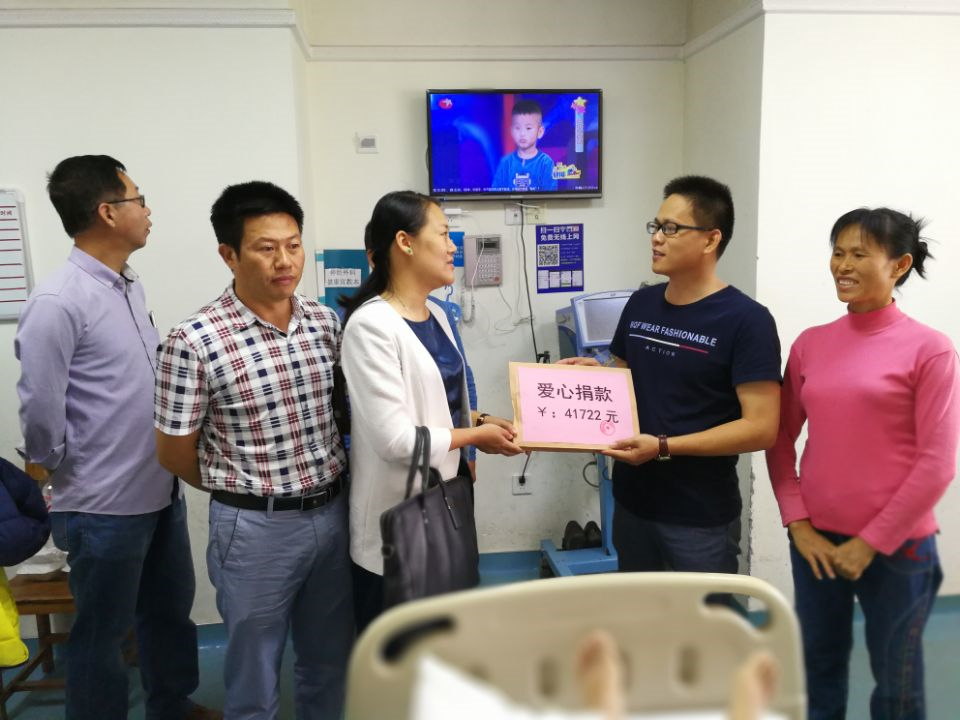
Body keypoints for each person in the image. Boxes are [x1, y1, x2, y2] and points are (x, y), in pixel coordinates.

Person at [14, 155, 212, 720]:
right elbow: (40, 406)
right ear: (107, 212)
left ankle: (172, 706)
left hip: (159, 487)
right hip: (102, 504)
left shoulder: (126, 285)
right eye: (138, 198)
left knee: (168, 614)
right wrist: (61, 466)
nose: (147, 210)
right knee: (102, 635)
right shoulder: (58, 301)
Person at [154, 181, 351, 720]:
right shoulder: (193, 341)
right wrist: (243, 489)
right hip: (254, 530)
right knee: (254, 674)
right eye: (266, 248)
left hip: (332, 513)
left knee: (329, 660)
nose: (285, 261)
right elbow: (173, 452)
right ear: (229, 254)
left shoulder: (324, 322)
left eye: (293, 245)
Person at [766, 208, 960, 720]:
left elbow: (938, 463)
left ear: (899, 265)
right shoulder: (811, 344)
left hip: (898, 547)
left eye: (858, 254)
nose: (843, 266)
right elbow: (780, 438)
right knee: (818, 669)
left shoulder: (931, 350)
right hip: (816, 542)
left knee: (897, 685)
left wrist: (870, 542)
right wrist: (798, 523)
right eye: (837, 253)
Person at [560, 176, 781, 579]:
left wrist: (663, 447)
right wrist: (599, 376)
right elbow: (626, 377)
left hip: (698, 517)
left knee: (700, 619)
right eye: (656, 226)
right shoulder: (642, 303)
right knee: (641, 613)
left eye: (671, 228)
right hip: (633, 503)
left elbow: (761, 428)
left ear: (711, 239)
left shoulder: (747, 321)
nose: (657, 238)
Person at [340, 190, 522, 632]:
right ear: (404, 242)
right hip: (398, 520)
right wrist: (474, 438)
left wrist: (481, 422)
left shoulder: (438, 315)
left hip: (446, 499)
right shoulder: (371, 326)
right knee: (402, 650)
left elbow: (439, 402)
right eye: (442, 234)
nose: (453, 246)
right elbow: (396, 440)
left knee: (445, 634)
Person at [491, 99, 558, 193]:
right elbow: (495, 191)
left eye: (528, 128)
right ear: (511, 131)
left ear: (540, 132)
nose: (522, 133)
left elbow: (550, 194)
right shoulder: (505, 162)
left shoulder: (546, 163)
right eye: (517, 128)